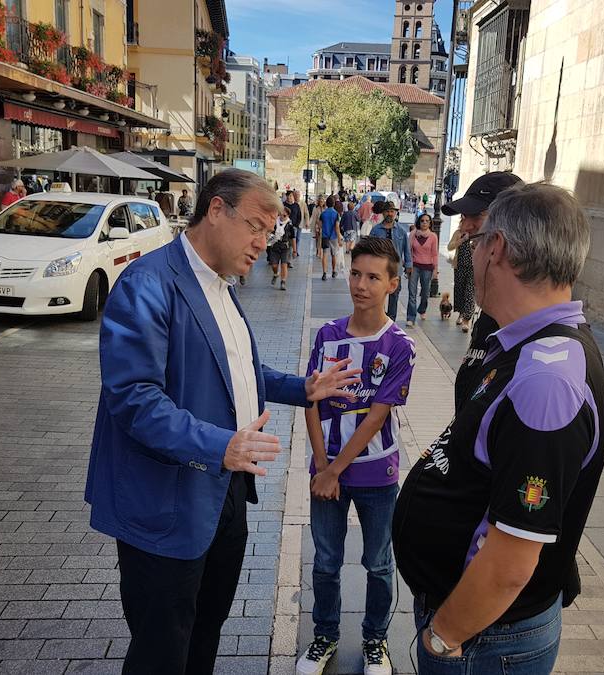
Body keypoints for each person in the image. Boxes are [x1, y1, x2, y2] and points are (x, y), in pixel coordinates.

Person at [85, 169, 361, 675]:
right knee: (161, 648)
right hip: (166, 502)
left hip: (224, 493)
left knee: (205, 629)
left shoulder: (220, 284)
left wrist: (302, 388)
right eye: (255, 226)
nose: (262, 243)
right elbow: (133, 398)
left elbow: (235, 369)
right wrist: (220, 446)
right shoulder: (148, 284)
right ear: (216, 209)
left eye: (270, 232)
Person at [392, 183, 604, 675]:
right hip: (480, 628)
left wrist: (444, 636)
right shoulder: (525, 344)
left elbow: (511, 560)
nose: (469, 251)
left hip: (483, 637)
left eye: (476, 240)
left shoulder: (545, 379)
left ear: (499, 249)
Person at [297, 236, 415, 675]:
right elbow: (311, 399)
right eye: (355, 274)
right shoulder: (327, 336)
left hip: (376, 475)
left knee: (379, 563)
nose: (361, 285)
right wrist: (322, 466)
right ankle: (324, 636)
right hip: (325, 472)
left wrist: (335, 470)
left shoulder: (399, 345)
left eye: (373, 277)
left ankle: (375, 641)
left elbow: (375, 416)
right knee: (326, 562)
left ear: (392, 284)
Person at [441, 172, 524, 406]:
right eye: (464, 216)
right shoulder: (492, 317)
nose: (465, 226)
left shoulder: (535, 345)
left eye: (476, 215)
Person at [369, 202, 412, 321]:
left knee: (394, 294)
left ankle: (391, 320)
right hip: (379, 268)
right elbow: (370, 249)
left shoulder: (401, 231)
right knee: (379, 293)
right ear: (383, 213)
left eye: (392, 211)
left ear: (395, 213)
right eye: (387, 211)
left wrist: (409, 265)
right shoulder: (375, 230)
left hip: (395, 269)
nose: (390, 213)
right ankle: (380, 316)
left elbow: (406, 250)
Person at [406, 212, 438, 327]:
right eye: (422, 221)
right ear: (419, 222)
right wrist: (407, 265)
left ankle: (422, 309)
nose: (424, 223)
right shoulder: (413, 234)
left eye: (427, 221)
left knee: (425, 292)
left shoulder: (433, 236)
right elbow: (408, 250)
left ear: (430, 223)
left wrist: (435, 270)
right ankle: (411, 317)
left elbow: (434, 254)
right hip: (414, 266)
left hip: (427, 267)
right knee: (412, 292)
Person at [269, 207, 294, 291]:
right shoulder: (274, 222)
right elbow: (269, 231)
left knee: (284, 265)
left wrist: (294, 250)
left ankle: (283, 282)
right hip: (275, 246)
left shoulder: (289, 224)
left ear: (288, 215)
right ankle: (276, 274)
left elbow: (293, 237)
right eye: (281, 214)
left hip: (285, 247)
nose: (282, 216)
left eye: (284, 215)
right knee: (274, 265)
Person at [320, 196, 340, 281]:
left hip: (325, 236)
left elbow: (320, 225)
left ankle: (324, 273)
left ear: (326, 204)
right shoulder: (336, 214)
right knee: (333, 254)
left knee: (324, 254)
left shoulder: (323, 213)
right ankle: (333, 271)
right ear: (334, 204)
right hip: (333, 236)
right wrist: (339, 238)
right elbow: (337, 227)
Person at [286, 191, 302, 261]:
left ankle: (289, 261)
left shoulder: (296, 205)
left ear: (293, 197)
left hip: (293, 227)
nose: (289, 197)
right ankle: (286, 259)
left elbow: (299, 216)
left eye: (290, 196)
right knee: (286, 243)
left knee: (291, 244)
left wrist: (296, 225)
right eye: (288, 196)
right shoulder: (284, 205)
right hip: (285, 227)